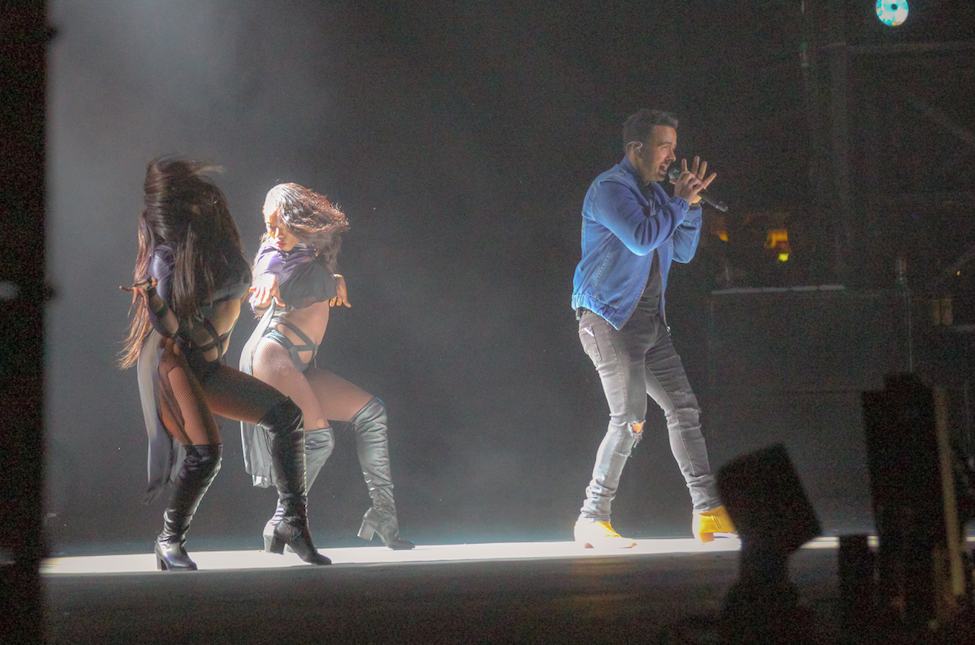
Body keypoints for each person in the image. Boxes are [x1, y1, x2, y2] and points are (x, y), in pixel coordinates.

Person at [120, 158, 330, 569]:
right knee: (206, 455)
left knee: (286, 417)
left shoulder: (221, 247)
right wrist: (153, 300)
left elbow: (269, 265)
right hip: (175, 366)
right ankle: (168, 541)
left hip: (209, 367)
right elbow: (170, 328)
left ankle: (290, 522)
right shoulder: (167, 258)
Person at [570, 109, 736, 548]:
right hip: (609, 319)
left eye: (674, 148)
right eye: (664, 147)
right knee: (629, 419)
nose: (672, 157)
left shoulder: (659, 195)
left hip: (649, 322)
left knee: (684, 409)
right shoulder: (610, 189)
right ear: (636, 149)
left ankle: (707, 510)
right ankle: (591, 517)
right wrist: (679, 202)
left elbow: (681, 251)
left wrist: (691, 206)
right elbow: (642, 238)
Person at [239, 183, 414, 550]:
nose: (275, 234)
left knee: (372, 414)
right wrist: (266, 284)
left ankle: (383, 514)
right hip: (274, 354)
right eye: (269, 226)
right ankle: (284, 520)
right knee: (319, 439)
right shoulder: (273, 255)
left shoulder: (307, 249)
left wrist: (332, 279)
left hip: (300, 362)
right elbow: (267, 276)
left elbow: (306, 277)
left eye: (282, 225)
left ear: (299, 220)